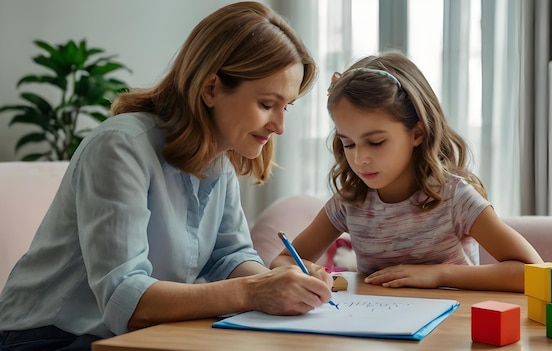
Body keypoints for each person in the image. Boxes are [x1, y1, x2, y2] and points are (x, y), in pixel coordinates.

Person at [0, 2, 334, 350]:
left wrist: (281, 282)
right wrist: (255, 291)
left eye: (286, 107)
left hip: (135, 335)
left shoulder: (219, 161)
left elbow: (229, 257)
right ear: (211, 89)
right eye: (267, 104)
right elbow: (125, 300)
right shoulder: (120, 147)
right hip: (47, 338)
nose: (279, 126)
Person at [271, 51, 543, 293]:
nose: (360, 159)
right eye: (348, 143)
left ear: (417, 133)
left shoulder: (454, 198)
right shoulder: (349, 203)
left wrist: (439, 274)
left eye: (376, 142)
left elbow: (533, 272)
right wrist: (310, 273)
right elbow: (283, 260)